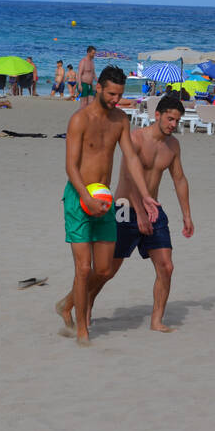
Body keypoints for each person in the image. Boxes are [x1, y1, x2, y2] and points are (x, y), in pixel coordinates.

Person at [55, 66, 159, 344]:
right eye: (112, 93)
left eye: (120, 94)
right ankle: (81, 331)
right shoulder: (80, 120)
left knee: (103, 270)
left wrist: (145, 194)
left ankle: (67, 304)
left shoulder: (121, 120)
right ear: (98, 88)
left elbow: (132, 159)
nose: (116, 99)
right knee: (83, 268)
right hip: (79, 199)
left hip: (103, 200)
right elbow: (70, 166)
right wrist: (84, 196)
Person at [84, 95, 194, 334]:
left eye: (177, 120)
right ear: (157, 115)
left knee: (166, 266)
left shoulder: (173, 146)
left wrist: (186, 214)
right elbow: (126, 177)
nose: (173, 124)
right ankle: (87, 302)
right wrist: (140, 214)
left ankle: (156, 320)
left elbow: (179, 179)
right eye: (169, 118)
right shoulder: (135, 139)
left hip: (153, 209)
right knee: (108, 270)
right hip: (125, 209)